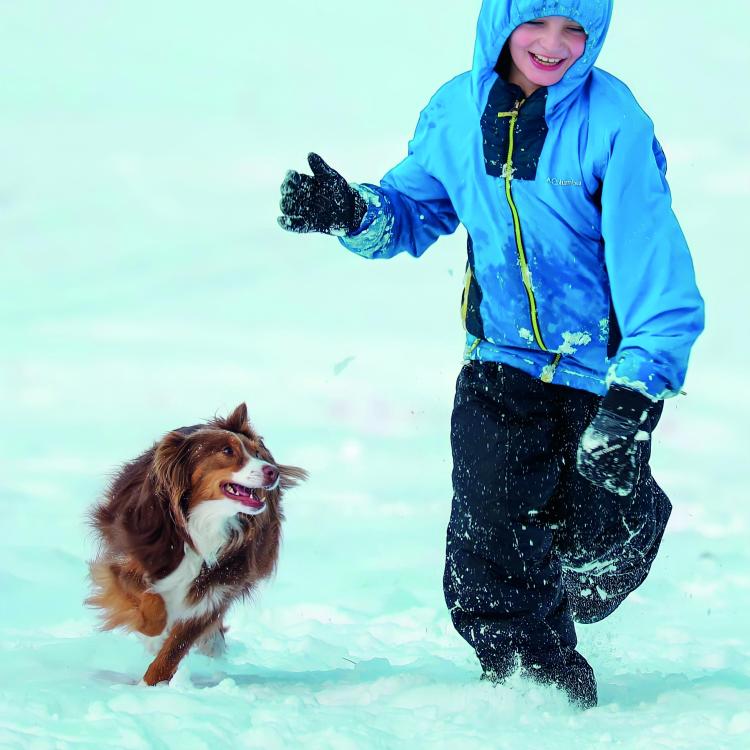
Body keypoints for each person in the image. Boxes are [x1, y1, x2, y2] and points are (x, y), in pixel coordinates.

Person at [277, 0, 704, 709]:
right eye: (537, 23)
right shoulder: (455, 111)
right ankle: (531, 683)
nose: (555, 44)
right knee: (489, 530)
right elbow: (412, 212)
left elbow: (657, 269)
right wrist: (350, 212)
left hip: (600, 374)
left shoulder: (614, 123)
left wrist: (634, 402)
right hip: (499, 361)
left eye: (577, 30)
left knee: (593, 548)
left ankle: (624, 529)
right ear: (501, 23)